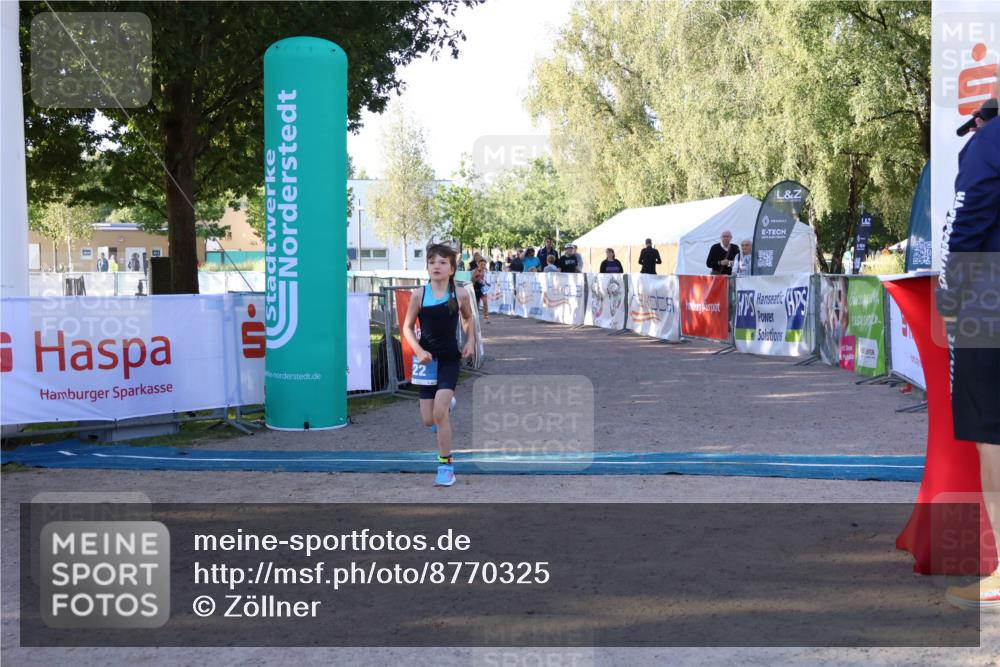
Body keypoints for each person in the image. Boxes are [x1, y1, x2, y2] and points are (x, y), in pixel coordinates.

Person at [937, 97, 1000, 610]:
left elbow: (968, 219)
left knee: (993, 433)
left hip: (991, 297)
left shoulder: (989, 141)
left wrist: (951, 290)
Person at [402, 243, 476, 487]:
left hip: (448, 360)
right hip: (425, 361)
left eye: (443, 262)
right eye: (432, 261)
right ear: (427, 266)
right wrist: (419, 349)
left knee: (439, 413)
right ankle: (447, 406)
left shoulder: (460, 293)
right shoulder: (418, 294)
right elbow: (407, 327)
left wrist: (471, 341)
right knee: (428, 420)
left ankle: (446, 466)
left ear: (452, 268)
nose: (437, 266)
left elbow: (467, 319)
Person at [472, 258, 490, 323]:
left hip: (483, 289)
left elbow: (484, 280)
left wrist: (487, 283)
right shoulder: (474, 271)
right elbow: (472, 281)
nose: (483, 266)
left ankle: (486, 318)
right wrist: (479, 276)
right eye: (481, 264)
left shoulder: (485, 271)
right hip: (476, 289)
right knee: (476, 305)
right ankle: (475, 318)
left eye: (484, 265)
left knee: (485, 302)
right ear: (478, 264)